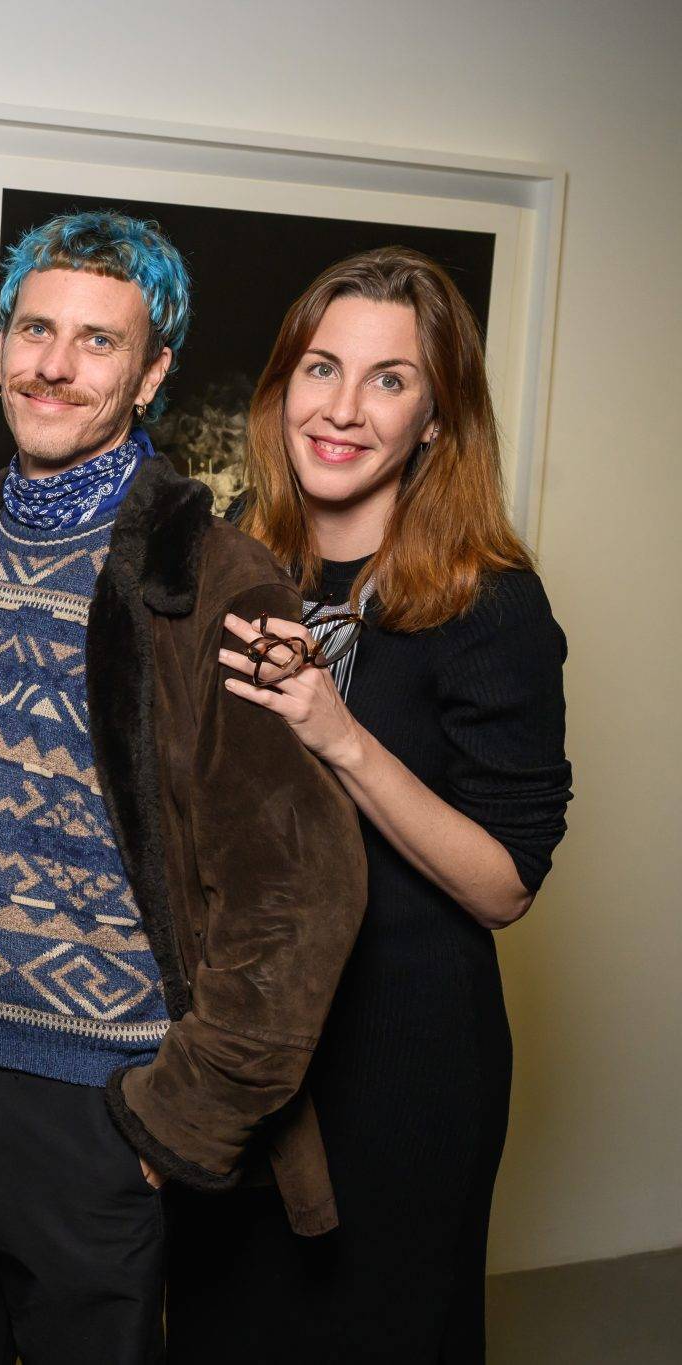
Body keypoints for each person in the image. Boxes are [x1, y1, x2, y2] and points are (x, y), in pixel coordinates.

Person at [0, 210, 368, 1364]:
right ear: (1, 344)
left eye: (96, 342)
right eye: (34, 329)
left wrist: (174, 1119)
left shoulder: (214, 580)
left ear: (152, 370)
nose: (52, 367)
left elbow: (300, 892)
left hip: (89, 1107)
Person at [168, 247, 572, 1363]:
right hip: (244, 1050)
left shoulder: (487, 605)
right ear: (279, 389)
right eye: (319, 368)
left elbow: (501, 887)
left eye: (388, 380)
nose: (340, 409)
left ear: (437, 420)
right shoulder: (239, 573)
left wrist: (336, 734)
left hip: (400, 1068)